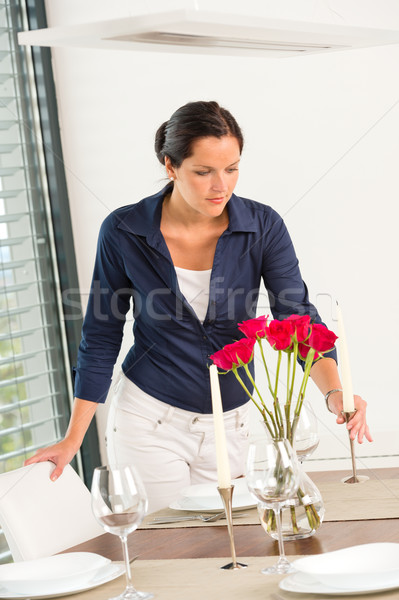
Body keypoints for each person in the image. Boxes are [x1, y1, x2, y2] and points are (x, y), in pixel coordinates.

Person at [25, 100, 372, 512]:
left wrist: (335, 391)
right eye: (203, 172)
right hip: (150, 421)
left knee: (235, 548)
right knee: (165, 548)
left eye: (231, 169)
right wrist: (73, 438)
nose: (220, 186)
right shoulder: (124, 230)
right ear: (170, 166)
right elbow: (101, 336)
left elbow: (297, 319)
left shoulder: (263, 227)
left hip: (233, 423)